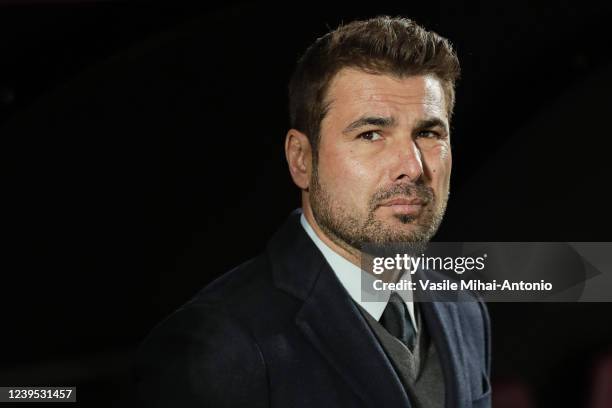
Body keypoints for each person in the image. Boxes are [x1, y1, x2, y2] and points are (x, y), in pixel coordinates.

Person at [135, 15, 491, 408]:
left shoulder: (464, 308)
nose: (412, 165)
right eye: (371, 134)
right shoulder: (217, 345)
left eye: (428, 133)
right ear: (301, 160)